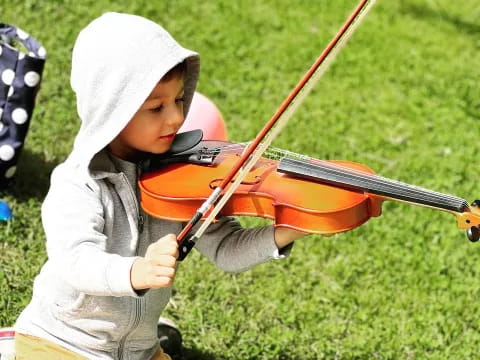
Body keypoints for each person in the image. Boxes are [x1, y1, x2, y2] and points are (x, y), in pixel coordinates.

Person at [13, 12, 306, 360]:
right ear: (112, 111)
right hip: (61, 342)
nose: (177, 118)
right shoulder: (78, 182)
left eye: (180, 100)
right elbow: (74, 260)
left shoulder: (182, 176)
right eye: (157, 108)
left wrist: (291, 227)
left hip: (139, 350)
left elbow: (226, 248)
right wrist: (135, 271)